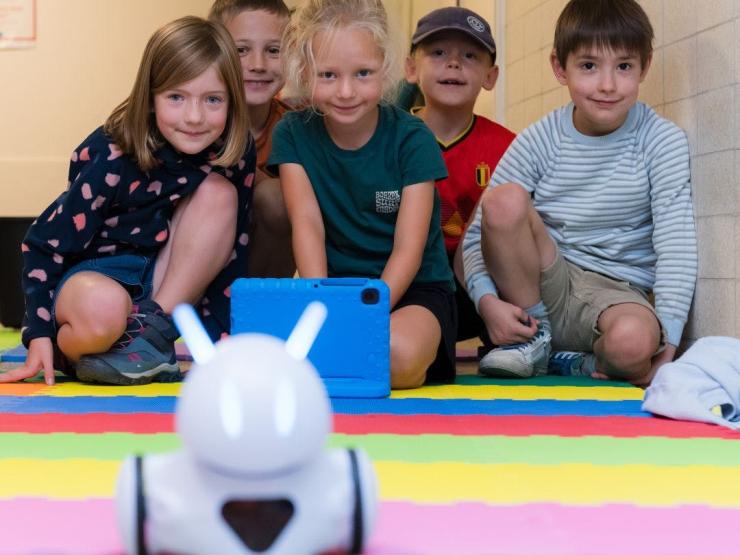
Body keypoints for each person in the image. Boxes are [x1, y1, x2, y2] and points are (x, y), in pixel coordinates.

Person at [0, 16, 255, 386]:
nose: (195, 117)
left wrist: (220, 339)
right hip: (92, 282)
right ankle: (93, 352)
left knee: (219, 193)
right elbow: (43, 244)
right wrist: (38, 334)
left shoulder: (232, 150)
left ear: (232, 101)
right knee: (105, 307)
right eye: (176, 98)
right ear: (150, 98)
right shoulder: (113, 154)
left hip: (158, 289)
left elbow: (233, 248)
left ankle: (151, 337)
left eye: (213, 100)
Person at [462, 0, 697, 387]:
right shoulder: (541, 138)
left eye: (624, 66)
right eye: (589, 66)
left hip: (617, 295)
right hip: (542, 283)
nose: (607, 85)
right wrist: (487, 303)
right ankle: (535, 340)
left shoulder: (661, 140)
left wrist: (668, 347)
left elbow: (677, 244)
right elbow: (476, 236)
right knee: (503, 200)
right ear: (560, 68)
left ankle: (574, 362)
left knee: (634, 343)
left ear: (645, 67)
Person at [269, 0, 457, 389]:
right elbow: (307, 224)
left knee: (394, 355)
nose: (346, 91)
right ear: (304, 73)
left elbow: (409, 248)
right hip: (335, 292)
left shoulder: (412, 138)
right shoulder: (292, 133)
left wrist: (369, 313)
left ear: (386, 69)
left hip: (412, 292)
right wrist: (322, 306)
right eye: (328, 75)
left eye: (363, 73)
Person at [404, 6, 515, 343]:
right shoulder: (392, 139)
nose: (453, 63)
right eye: (438, 53)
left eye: (469, 55)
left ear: (490, 77)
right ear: (411, 68)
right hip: (411, 281)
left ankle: (520, 341)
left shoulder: (508, 146)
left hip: (483, 287)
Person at [209, 0, 295, 278]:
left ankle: (265, 300)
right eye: (241, 50)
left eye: (273, 50)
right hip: (194, 272)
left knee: (278, 197)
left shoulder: (297, 128)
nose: (258, 65)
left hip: (259, 277)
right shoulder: (193, 123)